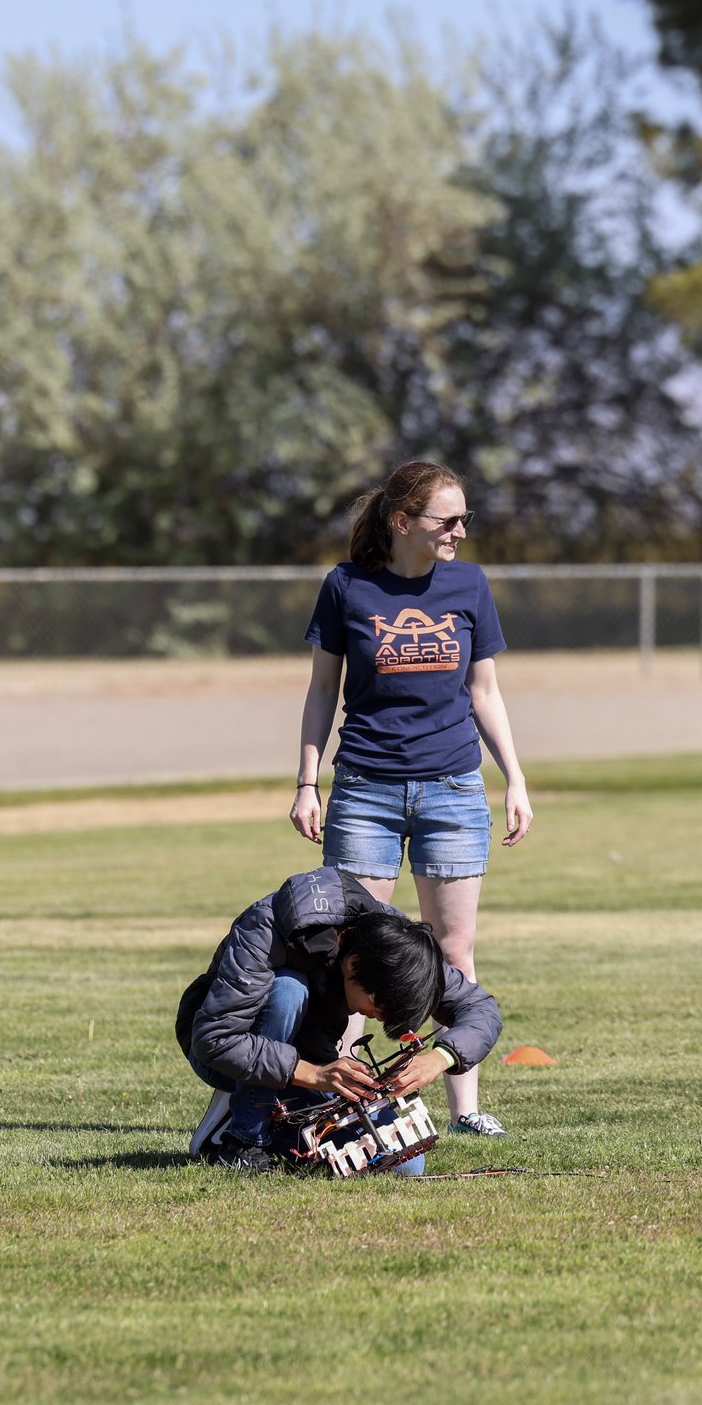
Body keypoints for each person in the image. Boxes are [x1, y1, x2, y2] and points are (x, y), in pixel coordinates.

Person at [290, 460, 532, 1136]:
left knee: (454, 947)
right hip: (364, 786)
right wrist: (307, 782)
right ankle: (341, 1107)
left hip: (453, 788)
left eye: (464, 519)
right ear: (403, 522)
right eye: (447, 520)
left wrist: (514, 776)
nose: (460, 531)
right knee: (356, 950)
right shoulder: (346, 587)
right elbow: (320, 692)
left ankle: (467, 1108)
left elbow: (485, 692)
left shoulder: (469, 584)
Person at [178, 865, 503, 1172]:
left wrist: (438, 1059)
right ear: (353, 964)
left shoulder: (397, 949)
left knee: (404, 1160)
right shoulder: (265, 926)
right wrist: (311, 1073)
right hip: (221, 1053)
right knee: (288, 989)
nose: (378, 1016)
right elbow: (215, 1038)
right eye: (381, 1005)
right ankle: (244, 1136)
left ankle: (268, 1113)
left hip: (306, 1060)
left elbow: (482, 1009)